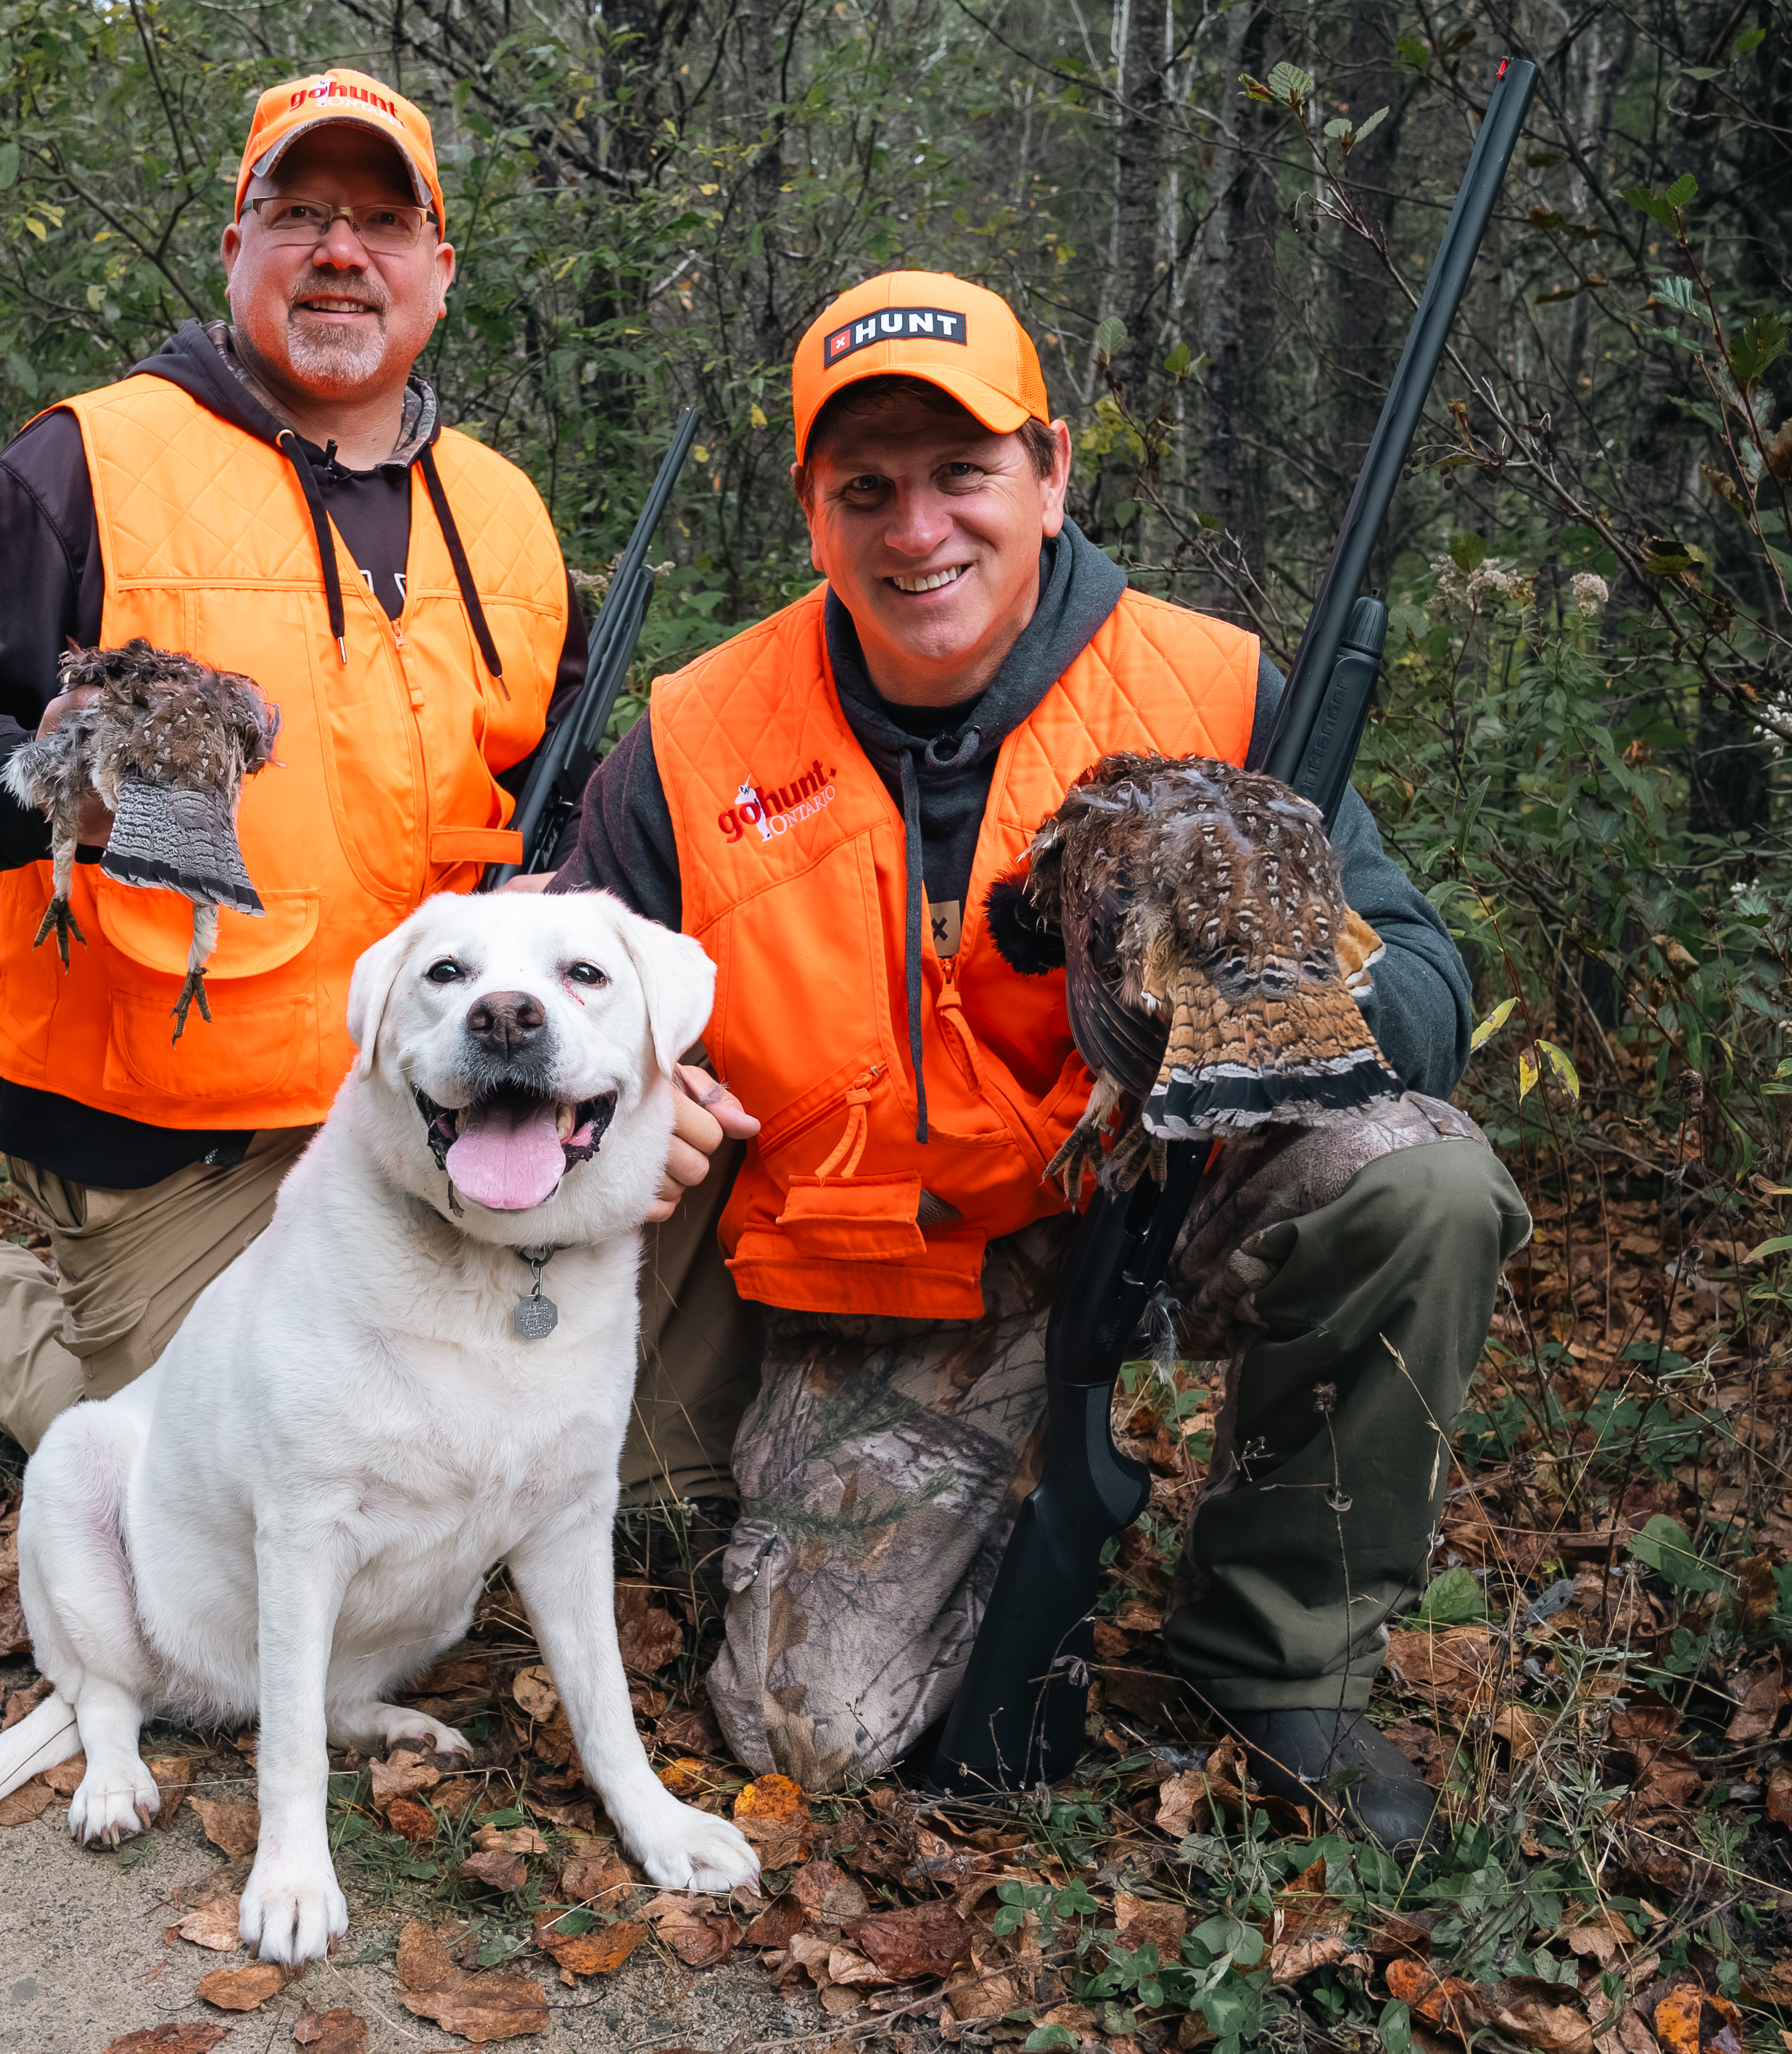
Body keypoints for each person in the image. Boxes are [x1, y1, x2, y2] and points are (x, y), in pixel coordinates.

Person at [552, 271, 1532, 1847]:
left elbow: (1421, 973)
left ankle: (1274, 1659)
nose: (916, 527)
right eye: (862, 487)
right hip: (894, 1274)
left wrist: (1254, 1016)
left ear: (1051, 469)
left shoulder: (1213, 691)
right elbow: (573, 991)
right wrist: (636, 1096)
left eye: (962, 473)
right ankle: (984, 1492)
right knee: (816, 1733)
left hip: (1166, 1205)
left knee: (1420, 1180)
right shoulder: (692, 738)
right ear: (810, 512)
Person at [0, 67, 748, 1456]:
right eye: (298, 211)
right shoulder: (89, 463)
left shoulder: (499, 513)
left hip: (450, 1091)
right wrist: (44, 782)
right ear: (235, 250)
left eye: (382, 219)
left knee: (594, 1449)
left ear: (436, 268)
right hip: (183, 1142)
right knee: (185, 1491)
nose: (339, 250)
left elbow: (560, 786)